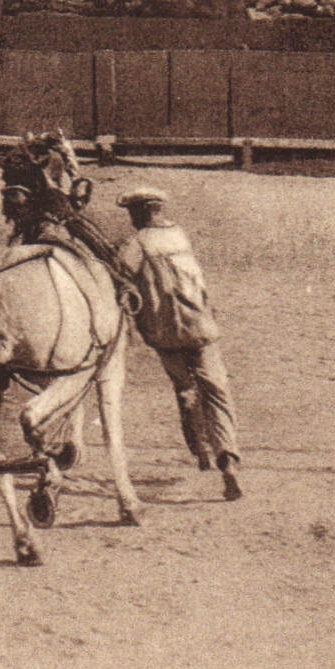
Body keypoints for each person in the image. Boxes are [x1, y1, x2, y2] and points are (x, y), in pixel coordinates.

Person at [116, 186, 241, 500]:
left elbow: (120, 277)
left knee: (185, 389)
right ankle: (228, 461)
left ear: (139, 213)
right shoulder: (180, 236)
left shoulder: (136, 243)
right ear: (159, 210)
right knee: (217, 390)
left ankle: (199, 447)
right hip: (200, 325)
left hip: (166, 333)